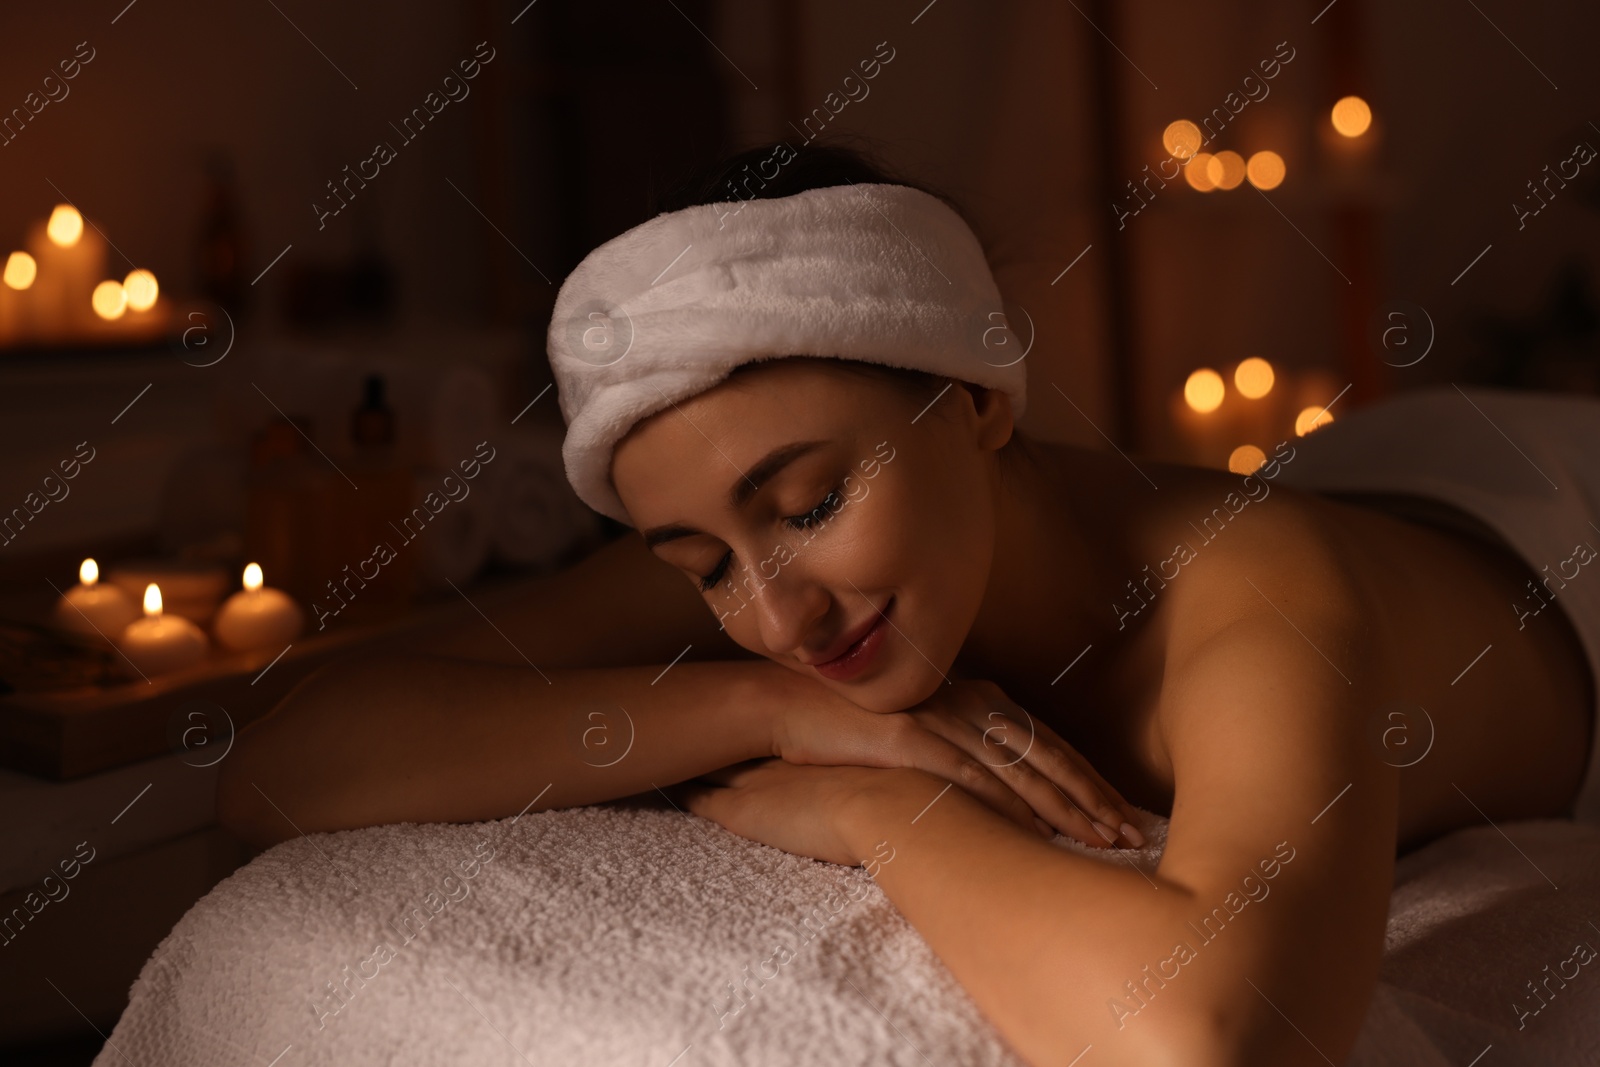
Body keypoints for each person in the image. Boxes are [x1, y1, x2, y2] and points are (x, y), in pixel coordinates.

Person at [218, 143, 1598, 1066]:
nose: (779, 616)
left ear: (980, 401)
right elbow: (282, 763)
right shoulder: (778, 612)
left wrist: (880, 808)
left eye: (811, 504)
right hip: (1392, 479)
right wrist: (761, 711)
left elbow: (1216, 1032)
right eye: (699, 565)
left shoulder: (1261, 590)